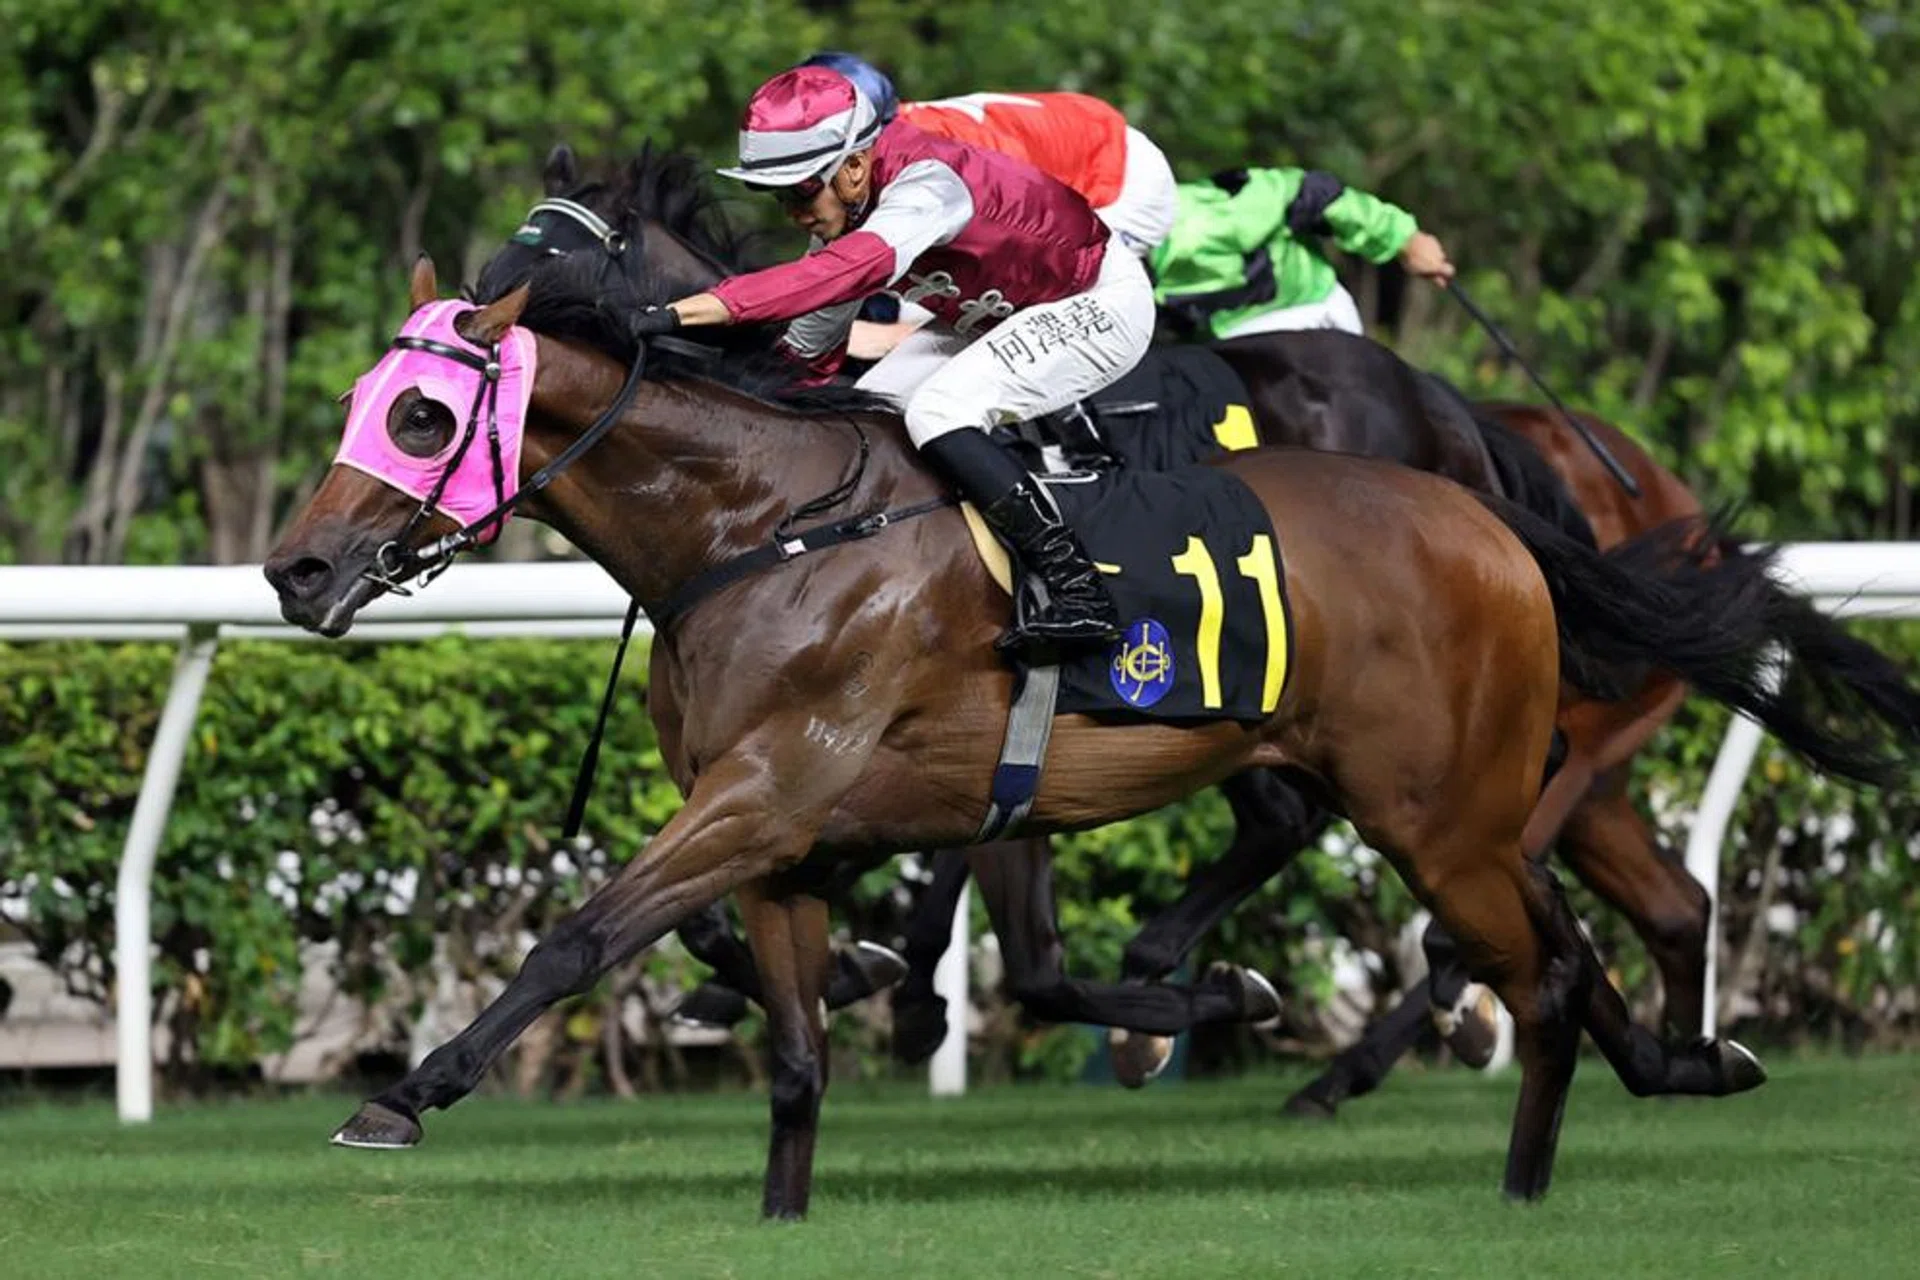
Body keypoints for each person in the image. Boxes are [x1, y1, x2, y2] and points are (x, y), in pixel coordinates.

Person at [632, 65, 1157, 653]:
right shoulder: (847, 219)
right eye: (777, 194)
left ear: (854, 166)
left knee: (937, 411)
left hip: (1100, 303)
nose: (793, 211)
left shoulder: (928, 185)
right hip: (999, 316)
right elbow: (804, 359)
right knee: (868, 416)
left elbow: (852, 270)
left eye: (803, 188)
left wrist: (684, 311)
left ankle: (1079, 591)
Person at [1149, 167, 1456, 339]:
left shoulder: (1206, 224)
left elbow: (1311, 193)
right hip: (1224, 345)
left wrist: (1405, 239)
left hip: (1308, 312)